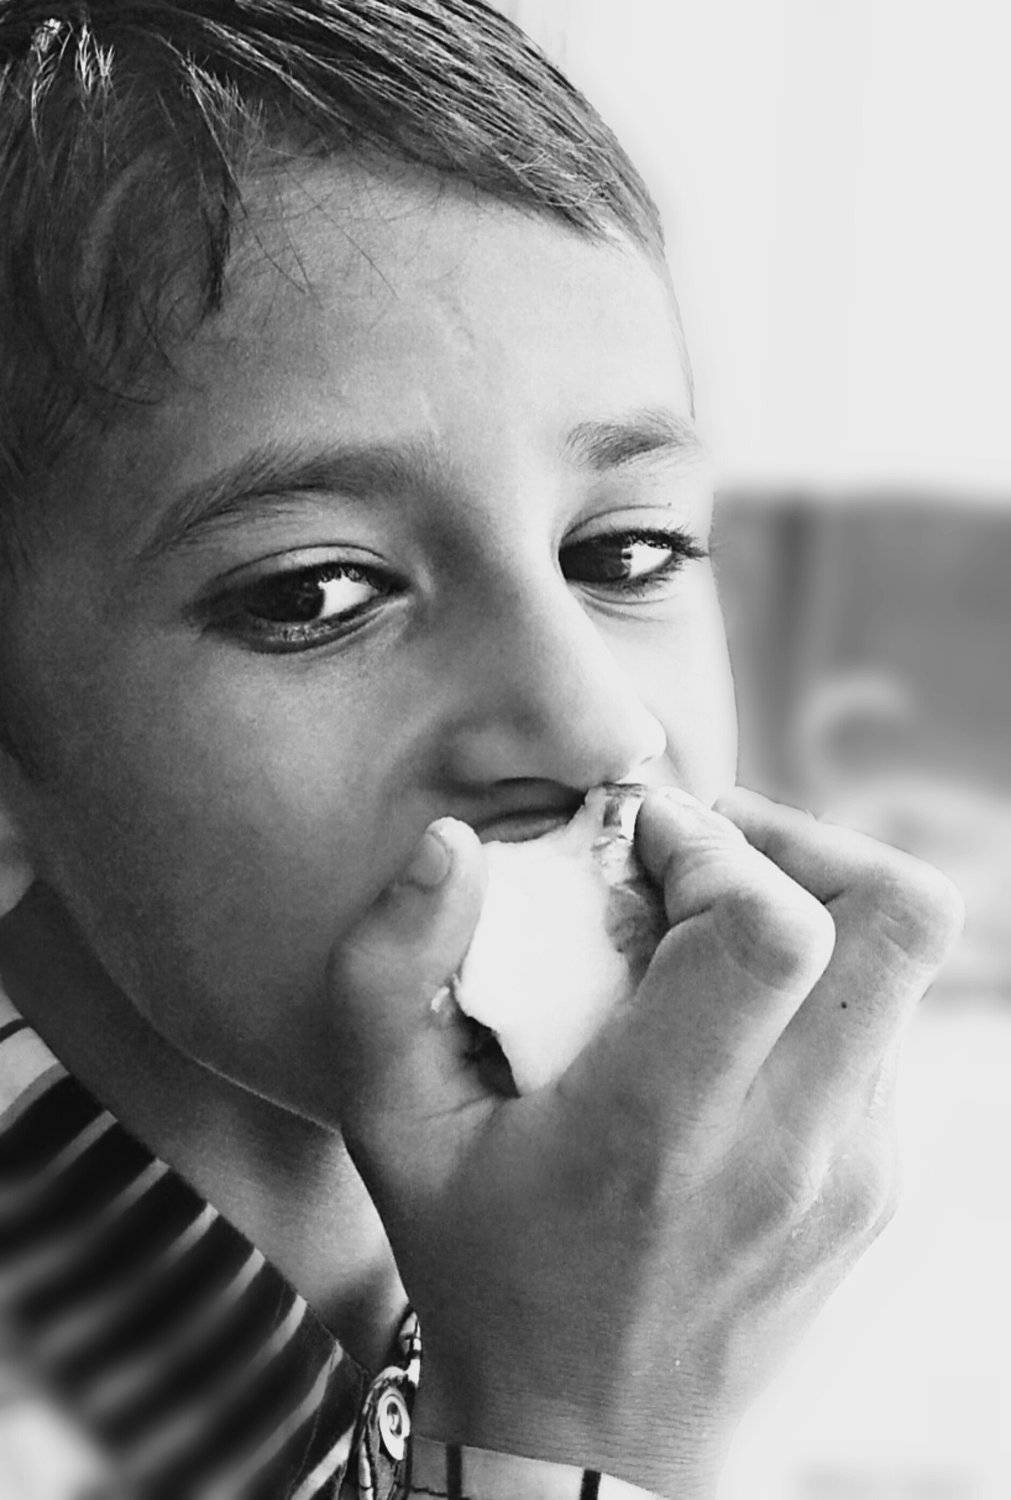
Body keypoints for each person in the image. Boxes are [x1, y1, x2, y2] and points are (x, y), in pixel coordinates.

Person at [0, 2, 964, 1496]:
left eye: (628, 552)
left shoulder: (673, 1245)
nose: (601, 726)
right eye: (315, 594)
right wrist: (575, 1430)